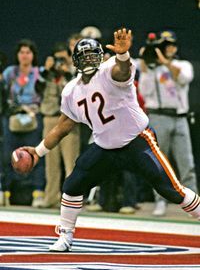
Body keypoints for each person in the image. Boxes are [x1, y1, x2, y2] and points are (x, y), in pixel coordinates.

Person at [23, 28, 200, 252]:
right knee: (72, 185)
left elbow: (123, 71)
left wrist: (124, 55)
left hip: (137, 141)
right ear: (76, 61)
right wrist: (37, 152)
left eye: (92, 55)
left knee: (172, 190)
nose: (88, 60)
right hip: (105, 148)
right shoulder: (71, 91)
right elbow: (62, 127)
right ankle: (65, 236)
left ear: (100, 56)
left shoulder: (109, 70)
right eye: (83, 57)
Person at [138, 30, 198, 216]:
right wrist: (145, 66)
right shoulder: (152, 69)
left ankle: (194, 203)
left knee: (186, 163)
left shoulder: (183, 64)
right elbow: (144, 92)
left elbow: (184, 78)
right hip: (158, 117)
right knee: (159, 163)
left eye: (173, 45)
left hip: (180, 118)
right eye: (166, 46)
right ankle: (160, 201)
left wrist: (165, 63)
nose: (170, 48)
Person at [0, 39, 45, 206]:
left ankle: (38, 193)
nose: (25, 55)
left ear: (33, 55)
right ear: (17, 55)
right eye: (22, 52)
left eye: (28, 52)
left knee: (36, 154)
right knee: (6, 156)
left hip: (34, 119)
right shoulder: (10, 72)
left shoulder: (40, 72)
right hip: (12, 118)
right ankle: (3, 192)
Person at [35, 42, 80, 208]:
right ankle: (51, 197)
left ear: (69, 57)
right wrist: (47, 69)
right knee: (50, 163)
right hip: (49, 118)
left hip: (69, 120)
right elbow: (37, 89)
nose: (59, 62)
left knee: (71, 163)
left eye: (63, 57)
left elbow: (79, 91)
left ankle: (73, 199)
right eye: (56, 58)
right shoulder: (45, 74)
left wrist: (67, 73)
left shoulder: (75, 72)